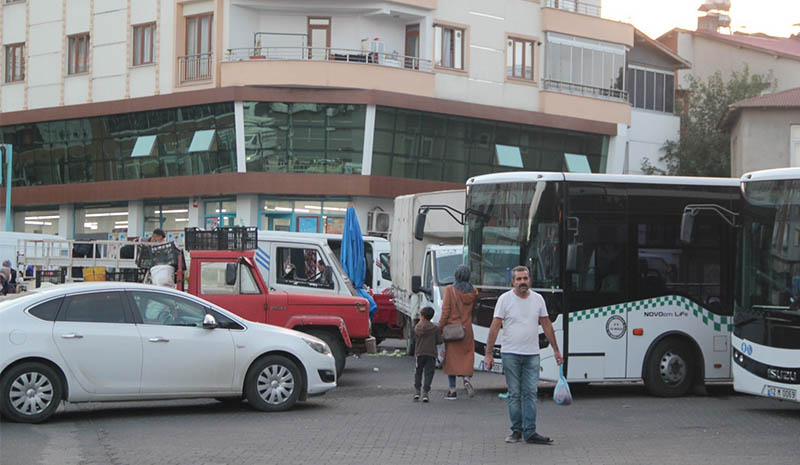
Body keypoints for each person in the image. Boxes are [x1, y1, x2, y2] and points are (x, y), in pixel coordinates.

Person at [484, 265, 563, 445]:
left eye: (525, 279)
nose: (522, 282)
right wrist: (488, 354)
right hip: (510, 354)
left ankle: (530, 432)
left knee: (530, 393)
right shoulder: (505, 300)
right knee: (514, 394)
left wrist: (556, 350)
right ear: (513, 282)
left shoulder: (538, 299)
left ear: (530, 280)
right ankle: (516, 431)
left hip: (532, 354)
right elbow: (495, 326)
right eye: (518, 279)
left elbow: (547, 325)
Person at [438, 264, 478, 400]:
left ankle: (452, 390)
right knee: (466, 356)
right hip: (467, 329)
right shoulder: (474, 291)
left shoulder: (450, 290)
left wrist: (440, 327)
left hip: (453, 330)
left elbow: (445, 311)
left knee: (452, 361)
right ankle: (466, 379)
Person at [413, 306, 442, 403]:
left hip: (419, 352)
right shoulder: (435, 328)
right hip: (431, 353)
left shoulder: (417, 327)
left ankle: (417, 391)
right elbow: (439, 341)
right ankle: (425, 392)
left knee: (418, 371)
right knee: (429, 373)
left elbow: (414, 340)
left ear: (422, 316)